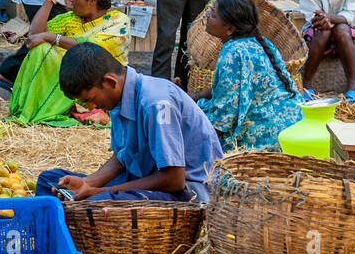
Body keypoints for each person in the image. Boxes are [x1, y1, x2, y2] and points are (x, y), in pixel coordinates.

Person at [37, 44, 223, 202]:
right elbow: (123, 158)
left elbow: (174, 179)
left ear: (110, 82)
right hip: (147, 178)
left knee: (96, 202)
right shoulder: (119, 97)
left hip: (186, 193)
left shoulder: (156, 103)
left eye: (90, 99)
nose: (91, 107)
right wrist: (88, 182)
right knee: (49, 181)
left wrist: (99, 192)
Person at [8, 0, 129, 127]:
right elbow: (35, 35)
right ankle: (39, 108)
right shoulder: (71, 19)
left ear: (93, 0)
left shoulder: (118, 22)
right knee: (41, 49)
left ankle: (66, 109)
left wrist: (51, 37)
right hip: (75, 86)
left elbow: (91, 47)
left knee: (51, 48)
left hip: (102, 94)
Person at [192, 0, 302, 152]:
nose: (208, 16)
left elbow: (222, 121)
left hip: (266, 137)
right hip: (292, 124)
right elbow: (234, 89)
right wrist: (197, 96)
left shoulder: (233, 53)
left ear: (229, 29)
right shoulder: (263, 44)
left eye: (213, 15)